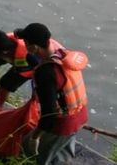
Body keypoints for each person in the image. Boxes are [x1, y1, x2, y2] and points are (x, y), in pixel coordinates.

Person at [17, 23, 88, 165]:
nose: (25, 46)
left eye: (26, 43)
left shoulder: (46, 72)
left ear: (34, 47)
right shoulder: (63, 54)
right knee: (62, 155)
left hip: (63, 125)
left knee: (34, 153)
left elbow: (49, 114)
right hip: (80, 116)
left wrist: (35, 137)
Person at [0, 29, 63, 109]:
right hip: (21, 61)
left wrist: (36, 96)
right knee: (5, 84)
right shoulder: (2, 45)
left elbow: (43, 76)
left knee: (42, 96)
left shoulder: (31, 56)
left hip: (43, 65)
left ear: (3, 52)